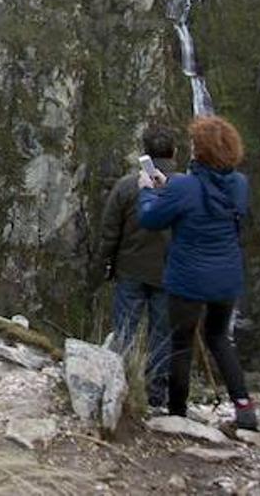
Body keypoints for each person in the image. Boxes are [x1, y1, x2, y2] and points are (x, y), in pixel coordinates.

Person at [137, 114, 256, 430]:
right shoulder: (239, 185)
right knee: (219, 339)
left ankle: (177, 412)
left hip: (187, 278)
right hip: (226, 277)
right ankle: (244, 407)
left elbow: (150, 220)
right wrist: (171, 189)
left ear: (200, 151)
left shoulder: (184, 186)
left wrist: (149, 191)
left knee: (182, 342)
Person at [97, 124, 176, 411]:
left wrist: (106, 262)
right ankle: (156, 396)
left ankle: (120, 388)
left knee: (126, 331)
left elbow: (110, 230)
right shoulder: (183, 187)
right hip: (169, 273)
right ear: (174, 152)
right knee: (162, 334)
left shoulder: (127, 186)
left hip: (130, 269)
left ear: (145, 152)